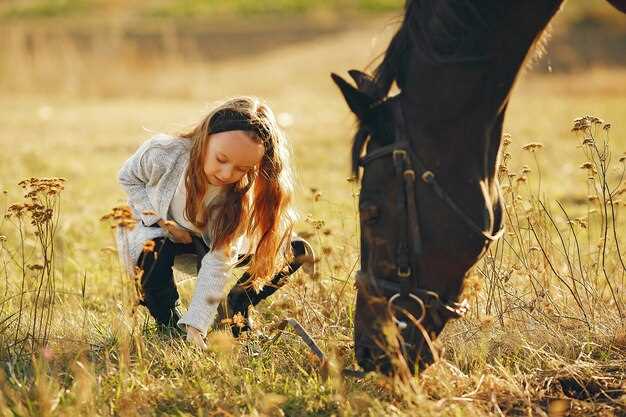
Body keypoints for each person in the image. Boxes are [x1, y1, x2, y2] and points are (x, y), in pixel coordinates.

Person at [115, 96, 313, 349]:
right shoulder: (164, 153)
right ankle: (168, 321)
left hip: (206, 243)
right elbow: (128, 177)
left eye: (242, 168)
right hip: (159, 236)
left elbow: (217, 264)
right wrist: (159, 221)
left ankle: (239, 303)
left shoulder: (237, 199)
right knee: (151, 252)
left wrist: (197, 325)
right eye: (221, 159)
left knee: (293, 251)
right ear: (205, 136)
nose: (227, 174)